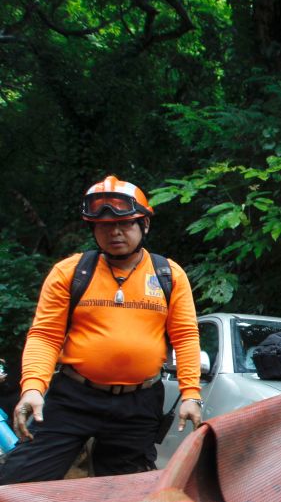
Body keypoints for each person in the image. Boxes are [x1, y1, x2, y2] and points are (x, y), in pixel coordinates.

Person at [1, 176, 202, 484]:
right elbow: (45, 335)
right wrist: (32, 388)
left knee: (125, 494)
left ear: (144, 225)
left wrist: (191, 393)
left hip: (139, 403)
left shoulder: (168, 275)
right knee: (17, 481)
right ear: (93, 229)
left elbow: (185, 336)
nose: (115, 232)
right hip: (74, 396)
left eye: (125, 223)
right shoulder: (71, 272)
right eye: (105, 225)